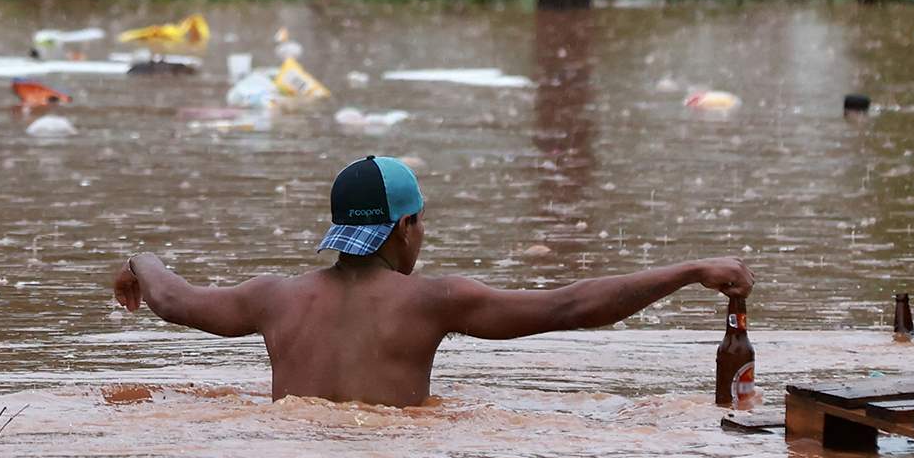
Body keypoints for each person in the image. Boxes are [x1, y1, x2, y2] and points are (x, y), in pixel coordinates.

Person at [112, 155, 753, 407]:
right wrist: (690, 270)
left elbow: (172, 300)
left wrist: (140, 262)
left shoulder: (273, 297)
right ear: (405, 227)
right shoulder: (434, 301)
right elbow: (573, 307)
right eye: (420, 224)